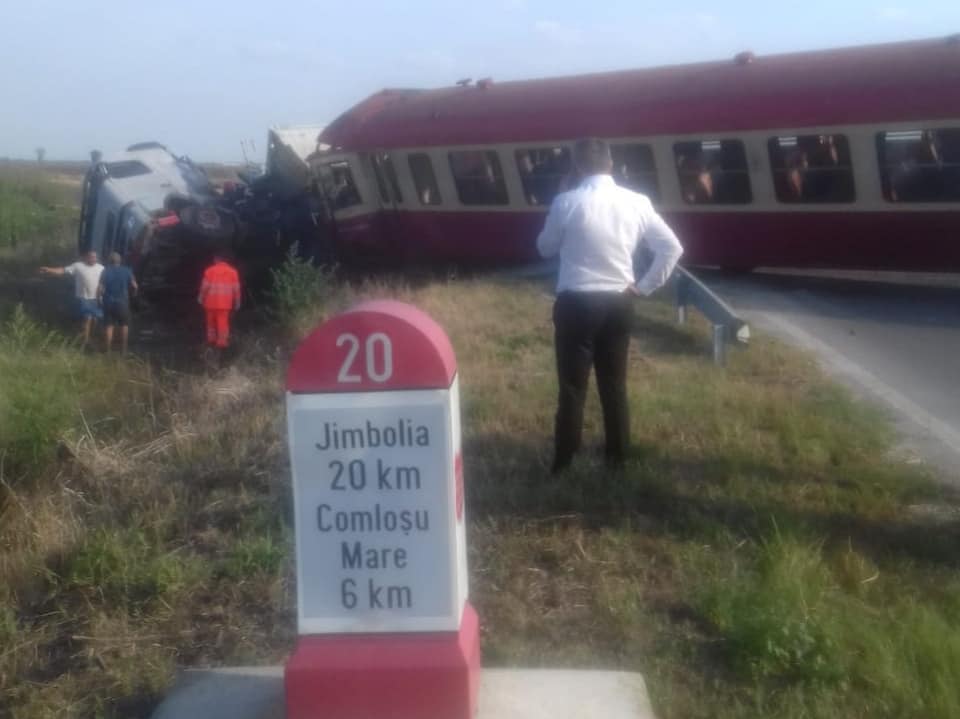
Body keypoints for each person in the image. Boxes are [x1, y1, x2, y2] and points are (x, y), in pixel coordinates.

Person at [537, 138, 683, 473]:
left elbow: (545, 248)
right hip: (619, 301)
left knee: (572, 388)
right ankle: (617, 459)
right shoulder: (637, 202)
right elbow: (672, 248)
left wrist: (559, 198)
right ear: (611, 164)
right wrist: (644, 287)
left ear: (577, 167)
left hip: (576, 302)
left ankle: (564, 463)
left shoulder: (566, 201)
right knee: (614, 385)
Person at [39, 250, 104, 349]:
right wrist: (49, 270)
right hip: (84, 298)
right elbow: (62, 271)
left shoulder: (101, 268)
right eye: (91, 257)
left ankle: (90, 337)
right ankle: (85, 341)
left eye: (94, 257)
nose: (93, 259)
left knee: (95, 320)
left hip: (96, 298)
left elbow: (106, 280)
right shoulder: (78, 266)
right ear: (86, 257)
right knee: (87, 319)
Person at [198, 252, 241, 355]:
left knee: (210, 323)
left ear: (216, 259)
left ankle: (211, 340)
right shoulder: (233, 272)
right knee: (223, 324)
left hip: (210, 303)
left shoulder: (209, 271)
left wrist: (200, 298)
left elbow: (205, 287)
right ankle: (222, 343)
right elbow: (236, 289)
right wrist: (237, 302)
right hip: (225, 304)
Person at [97, 252, 138, 356]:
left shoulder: (105, 271)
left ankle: (108, 350)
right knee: (124, 325)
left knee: (109, 326)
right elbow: (135, 286)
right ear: (120, 261)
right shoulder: (127, 270)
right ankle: (123, 349)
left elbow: (100, 288)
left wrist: (98, 300)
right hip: (122, 302)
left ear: (110, 261)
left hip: (108, 302)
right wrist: (133, 295)